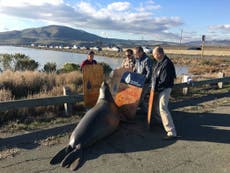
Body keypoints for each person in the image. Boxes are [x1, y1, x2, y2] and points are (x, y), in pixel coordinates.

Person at [151, 46, 177, 140]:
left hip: (165, 89)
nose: (153, 56)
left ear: (158, 54)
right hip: (160, 88)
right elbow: (155, 75)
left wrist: (156, 89)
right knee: (157, 106)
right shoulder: (160, 62)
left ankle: (171, 131)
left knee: (163, 107)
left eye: (154, 55)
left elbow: (164, 81)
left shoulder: (167, 64)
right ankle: (160, 121)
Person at [133, 46, 153, 112]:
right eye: (135, 53)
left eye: (136, 53)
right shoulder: (137, 59)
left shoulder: (147, 60)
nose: (135, 55)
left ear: (141, 52)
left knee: (140, 98)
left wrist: (144, 81)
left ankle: (146, 112)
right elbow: (135, 69)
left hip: (145, 82)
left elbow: (149, 72)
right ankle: (145, 112)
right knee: (139, 98)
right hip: (138, 82)